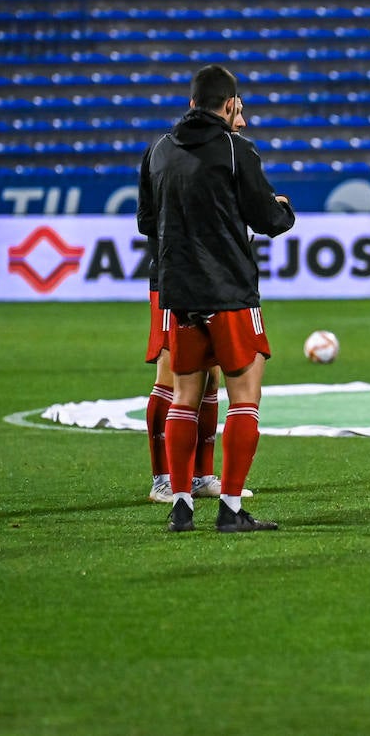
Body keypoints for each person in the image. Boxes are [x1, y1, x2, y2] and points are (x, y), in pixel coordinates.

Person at [137, 65, 295, 533]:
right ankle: (229, 508)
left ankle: (181, 503)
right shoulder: (235, 149)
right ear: (228, 105)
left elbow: (147, 221)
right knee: (244, 396)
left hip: (180, 293)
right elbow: (267, 218)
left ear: (192, 103)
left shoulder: (159, 149)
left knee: (185, 396)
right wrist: (284, 211)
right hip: (229, 291)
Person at [141, 103, 250, 505]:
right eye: (235, 112)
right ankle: (163, 478)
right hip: (177, 281)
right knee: (171, 378)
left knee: (211, 378)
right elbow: (148, 219)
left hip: (212, 283)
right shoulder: (167, 152)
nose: (241, 121)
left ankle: (202, 475)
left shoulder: (226, 157)